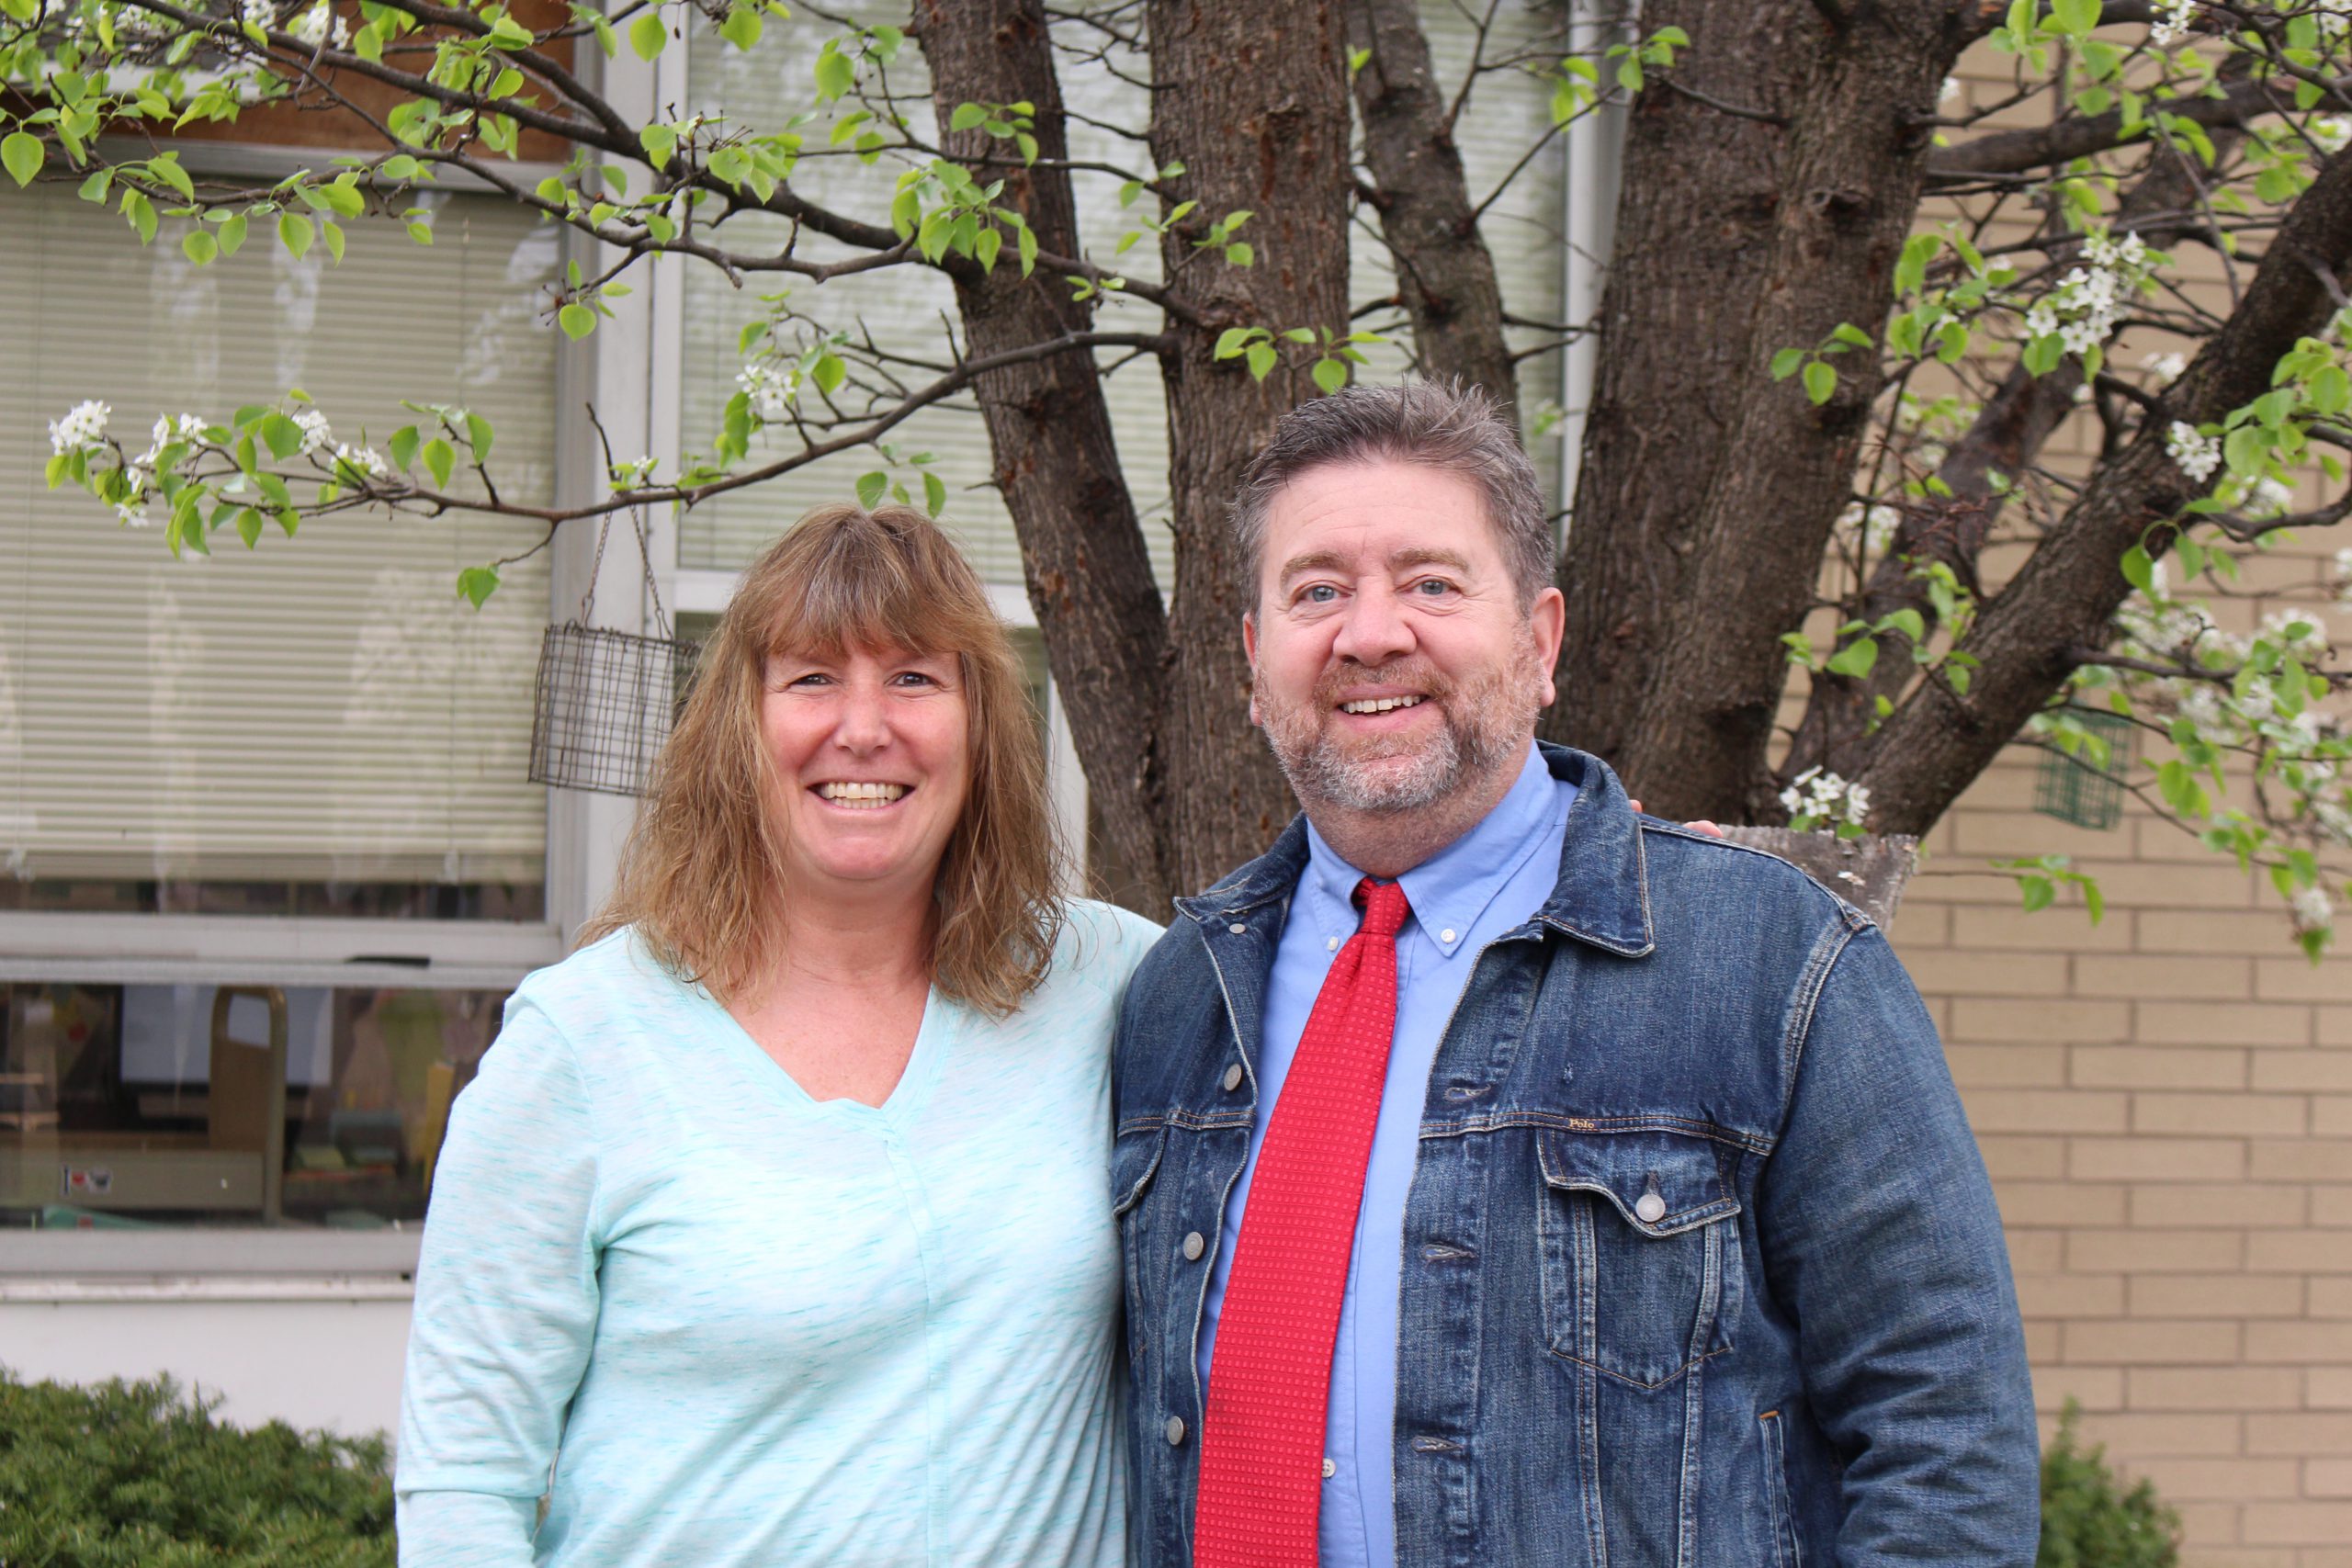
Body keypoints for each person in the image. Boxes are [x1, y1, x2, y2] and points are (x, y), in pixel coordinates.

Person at [1112, 381, 2038, 1568]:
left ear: (1539, 641)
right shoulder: (1182, 992)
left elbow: (1943, 1438)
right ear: (1254, 661)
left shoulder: (1770, 962)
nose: (1372, 631)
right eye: (1317, 590)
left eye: (1432, 582)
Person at [396, 504, 1160, 1566]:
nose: (862, 726)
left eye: (912, 678)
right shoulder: (581, 1045)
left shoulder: (1110, 983)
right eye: (810, 677)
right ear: (739, 726)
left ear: (980, 725)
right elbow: (465, 1487)